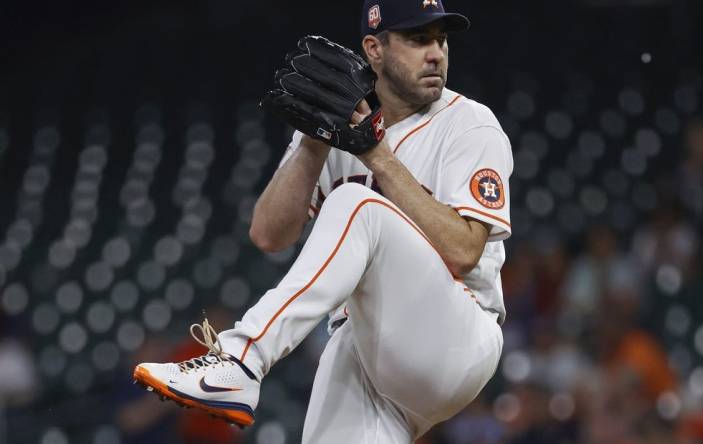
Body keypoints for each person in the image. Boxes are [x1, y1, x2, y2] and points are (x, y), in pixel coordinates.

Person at [133, 0, 513, 441]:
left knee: (358, 203)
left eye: (441, 40)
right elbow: (268, 235)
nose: (436, 53)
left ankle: (241, 359)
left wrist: (377, 156)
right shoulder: (344, 119)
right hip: (366, 347)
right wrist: (316, 140)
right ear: (374, 48)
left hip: (457, 333)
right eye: (417, 39)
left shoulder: (469, 124)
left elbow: (465, 252)